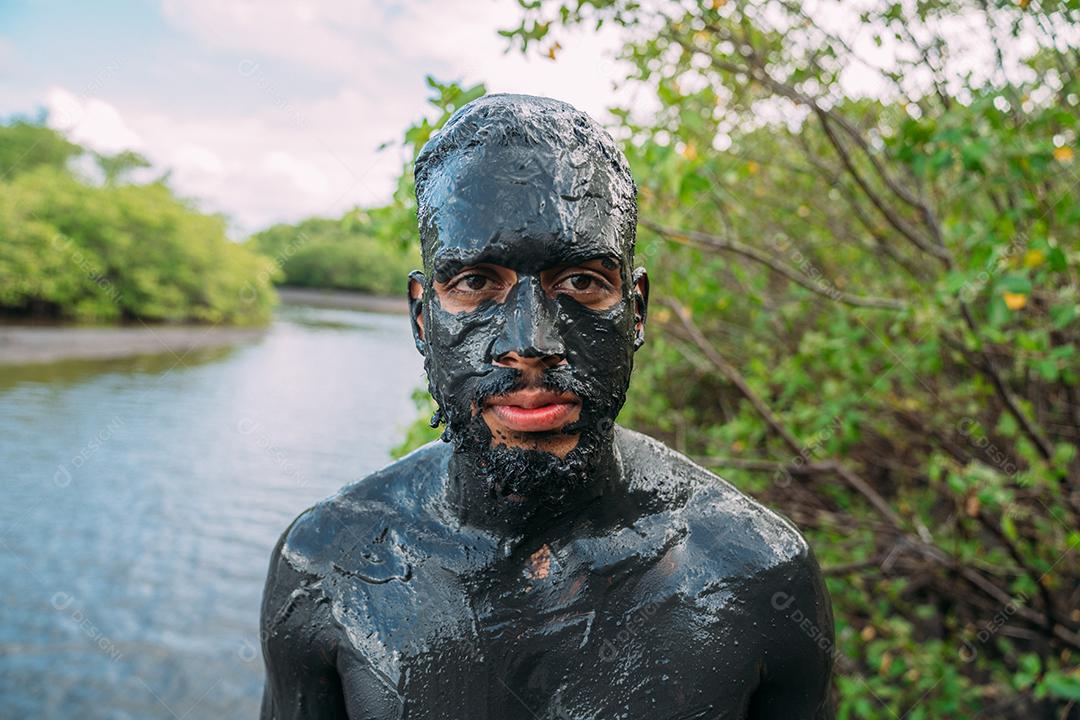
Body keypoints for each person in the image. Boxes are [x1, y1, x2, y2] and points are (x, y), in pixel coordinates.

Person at [259, 94, 834, 719]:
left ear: (634, 310)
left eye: (581, 283)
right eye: (476, 283)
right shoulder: (327, 564)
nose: (531, 344)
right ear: (423, 318)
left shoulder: (756, 571)